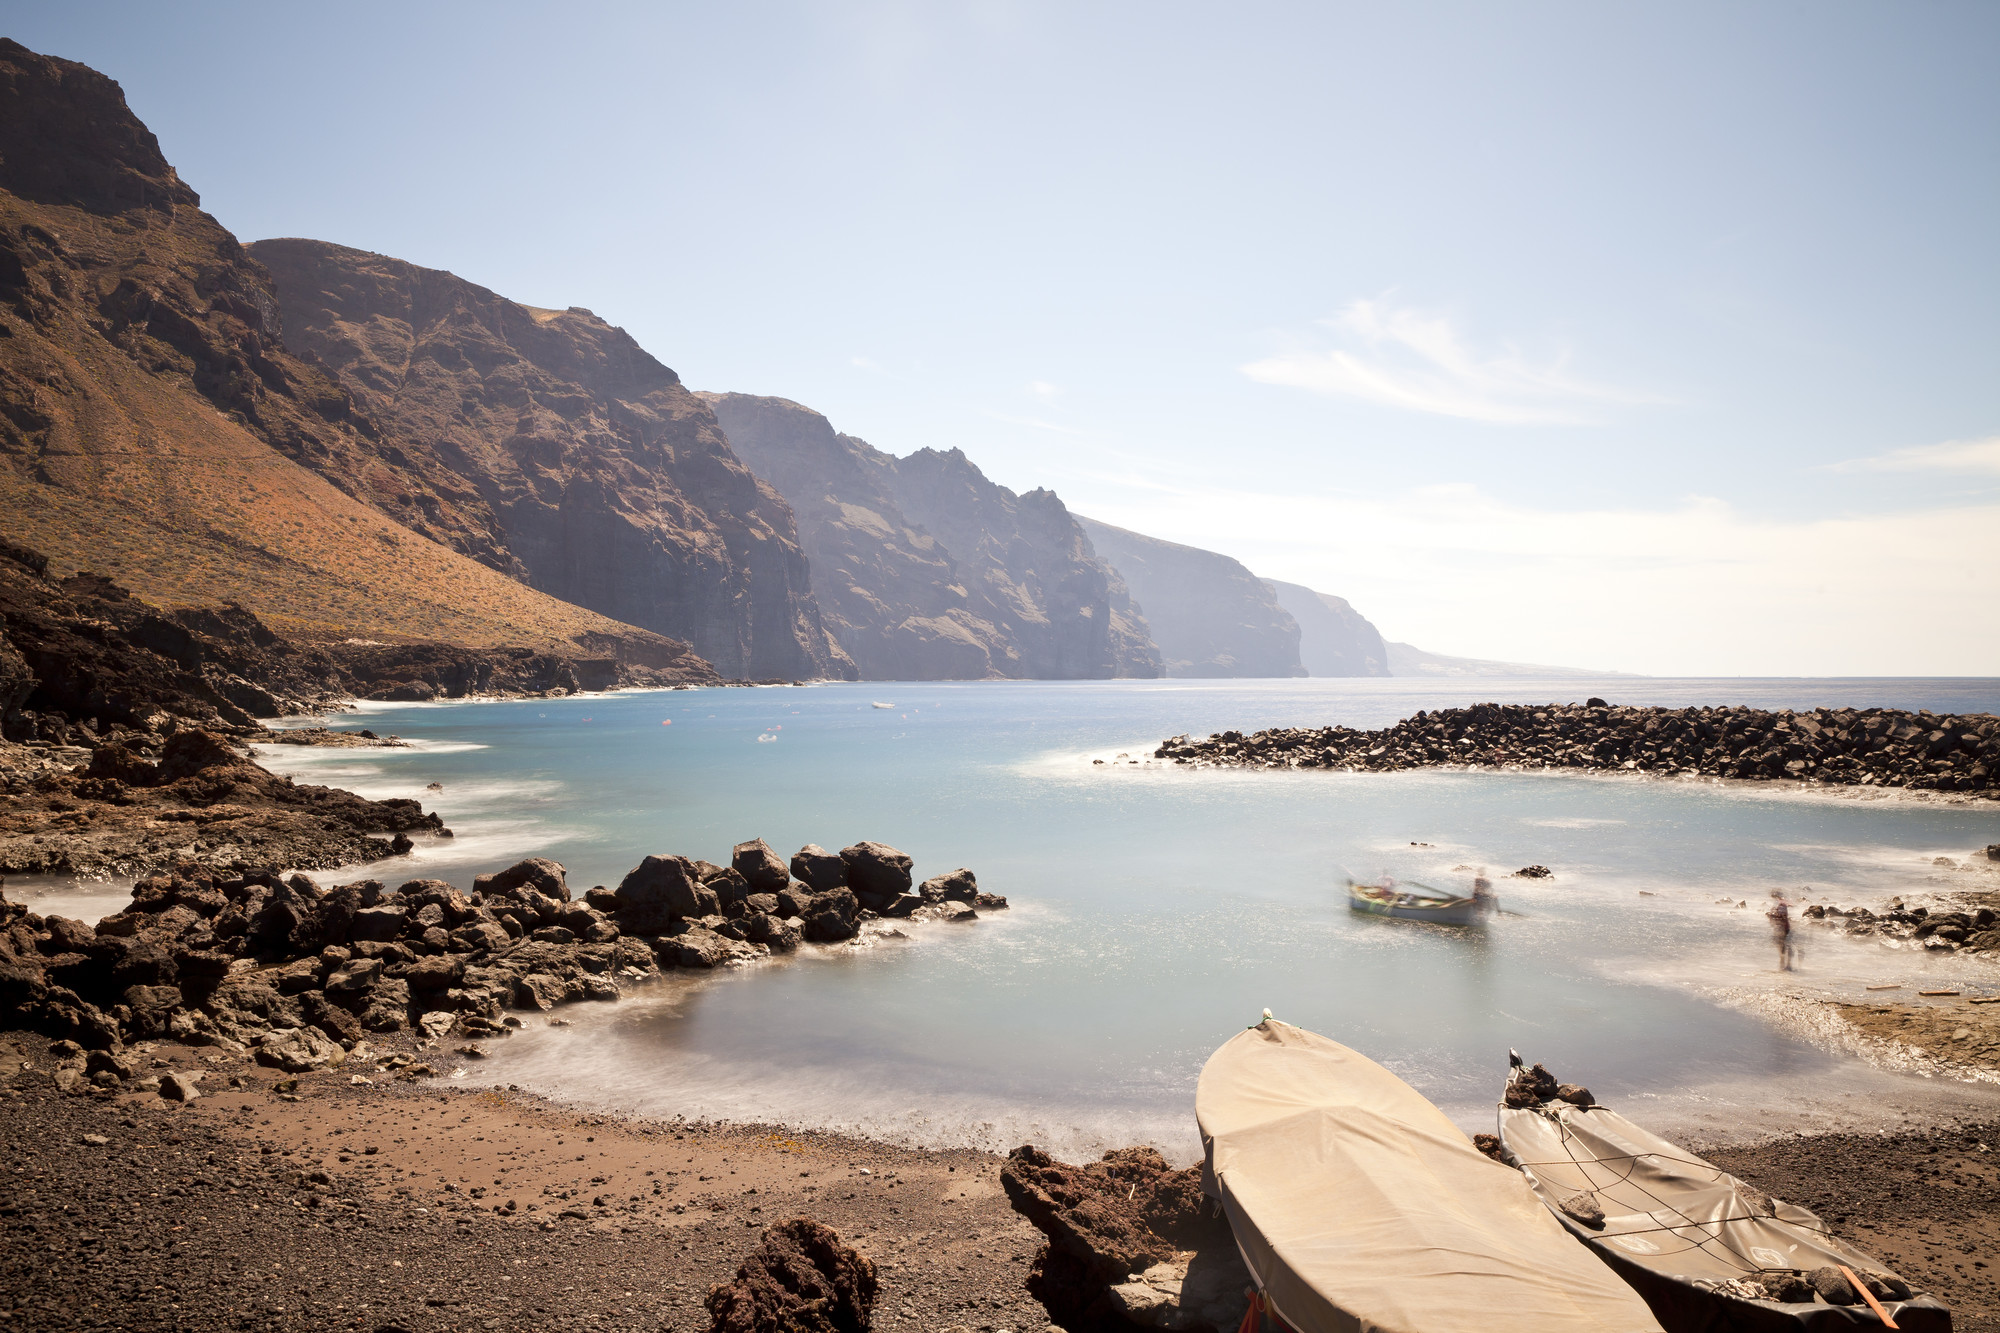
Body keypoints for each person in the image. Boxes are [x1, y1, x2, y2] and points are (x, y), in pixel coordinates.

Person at [1767, 888, 1793, 971]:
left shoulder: (1781, 903)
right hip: (1782, 927)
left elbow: (1782, 916)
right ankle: (1785, 964)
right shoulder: (1781, 903)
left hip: (1782, 928)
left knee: (1782, 946)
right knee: (1783, 946)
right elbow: (1782, 915)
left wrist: (1772, 916)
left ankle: (1786, 965)